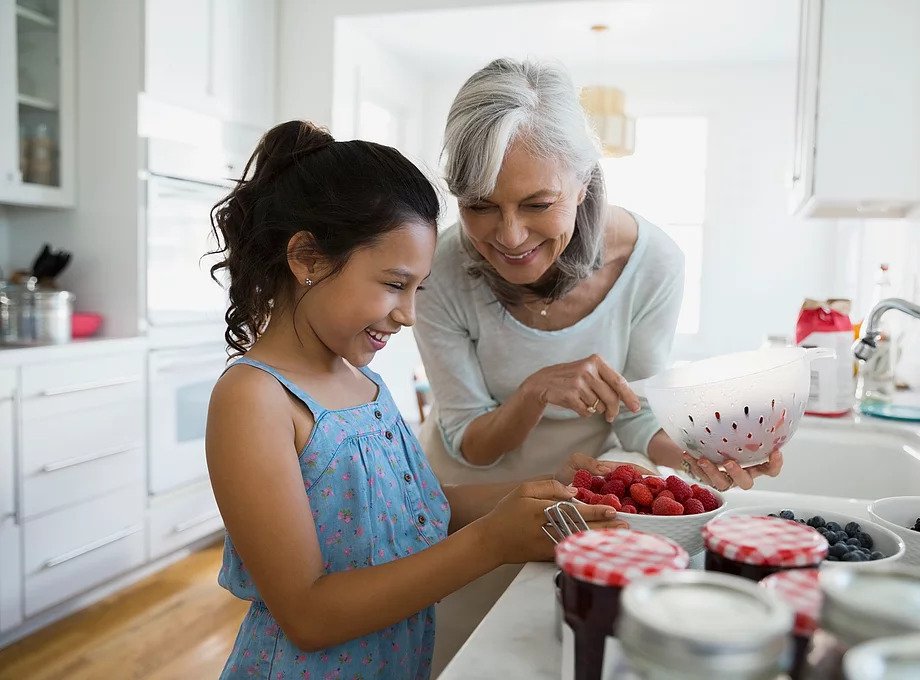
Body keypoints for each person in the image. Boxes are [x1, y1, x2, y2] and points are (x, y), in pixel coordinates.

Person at [205, 120, 626, 680]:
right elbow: (307, 614)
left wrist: (559, 490)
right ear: (306, 257)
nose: (408, 313)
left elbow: (419, 509)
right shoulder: (254, 399)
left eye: (418, 289)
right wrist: (490, 544)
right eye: (393, 283)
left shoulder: (364, 383)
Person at [414, 58, 783, 671]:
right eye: (479, 206)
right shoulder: (441, 268)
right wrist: (536, 390)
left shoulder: (653, 262)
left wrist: (699, 456)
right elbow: (469, 442)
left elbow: (635, 417)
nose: (508, 235)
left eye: (537, 204)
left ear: (585, 183)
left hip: (582, 501)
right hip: (466, 499)